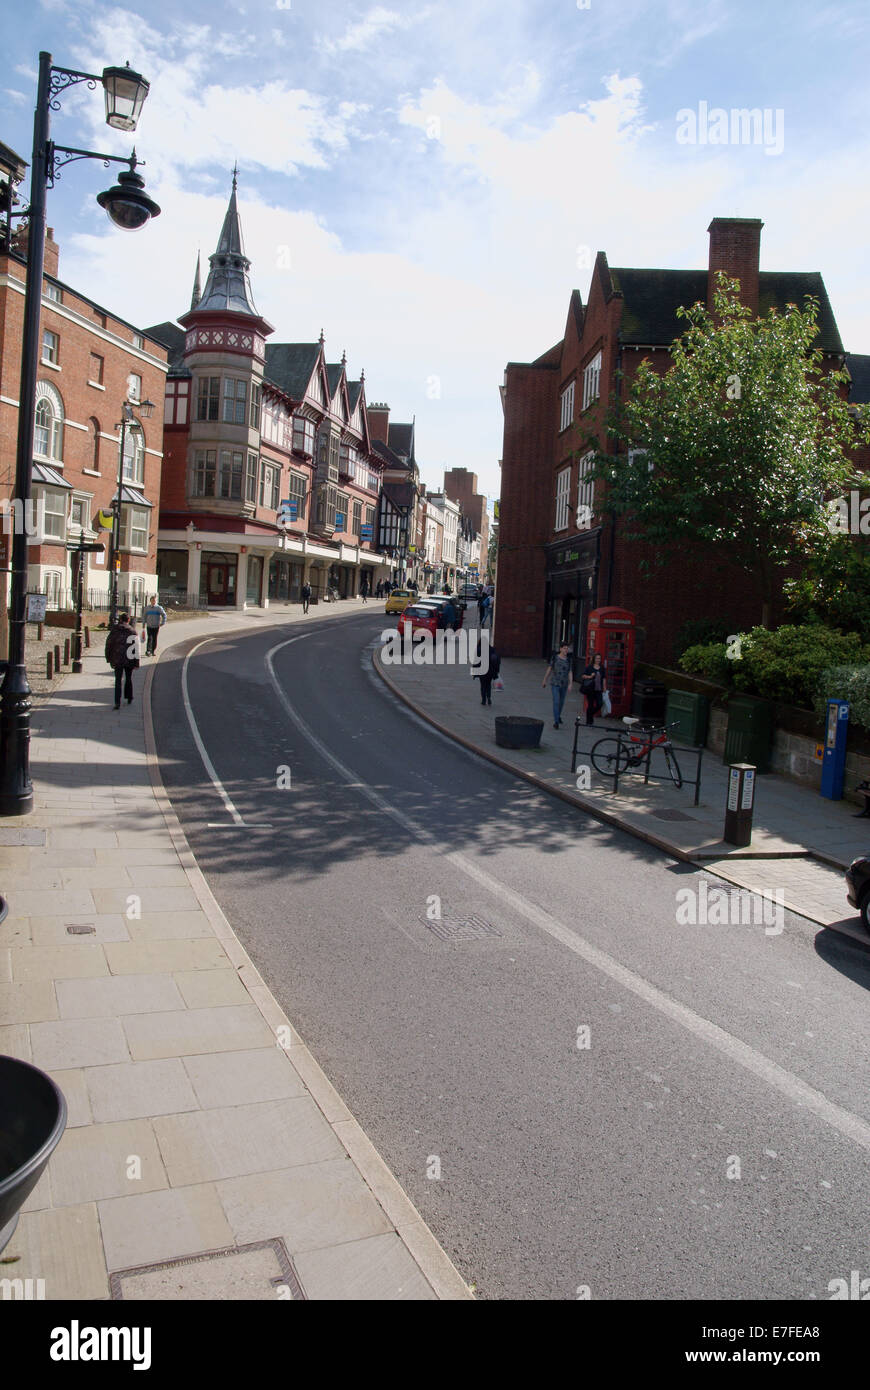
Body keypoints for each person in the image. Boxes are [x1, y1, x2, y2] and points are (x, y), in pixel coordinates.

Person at [105, 613, 139, 709]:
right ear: (128, 620)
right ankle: (129, 697)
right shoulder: (132, 631)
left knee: (118, 680)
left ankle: (117, 702)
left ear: (120, 620)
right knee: (128, 678)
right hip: (129, 658)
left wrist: (108, 658)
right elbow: (136, 648)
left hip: (117, 658)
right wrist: (137, 662)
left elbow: (109, 644)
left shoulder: (115, 630)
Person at [542, 641, 573, 728]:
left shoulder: (569, 660)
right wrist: (544, 680)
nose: (566, 650)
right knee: (556, 701)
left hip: (564, 684)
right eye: (564, 648)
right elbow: (549, 668)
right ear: (560, 649)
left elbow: (570, 671)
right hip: (555, 683)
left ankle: (558, 716)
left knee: (561, 702)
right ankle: (556, 722)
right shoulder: (555, 658)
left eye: (567, 649)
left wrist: (571, 683)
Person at [580, 651, 607, 726]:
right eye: (597, 658)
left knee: (600, 704)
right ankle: (589, 721)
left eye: (599, 658)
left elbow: (604, 678)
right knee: (590, 705)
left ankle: (590, 715)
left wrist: (604, 687)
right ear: (594, 659)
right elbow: (583, 676)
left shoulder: (602, 668)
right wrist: (590, 676)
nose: (598, 660)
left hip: (599, 689)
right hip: (590, 690)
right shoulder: (589, 667)